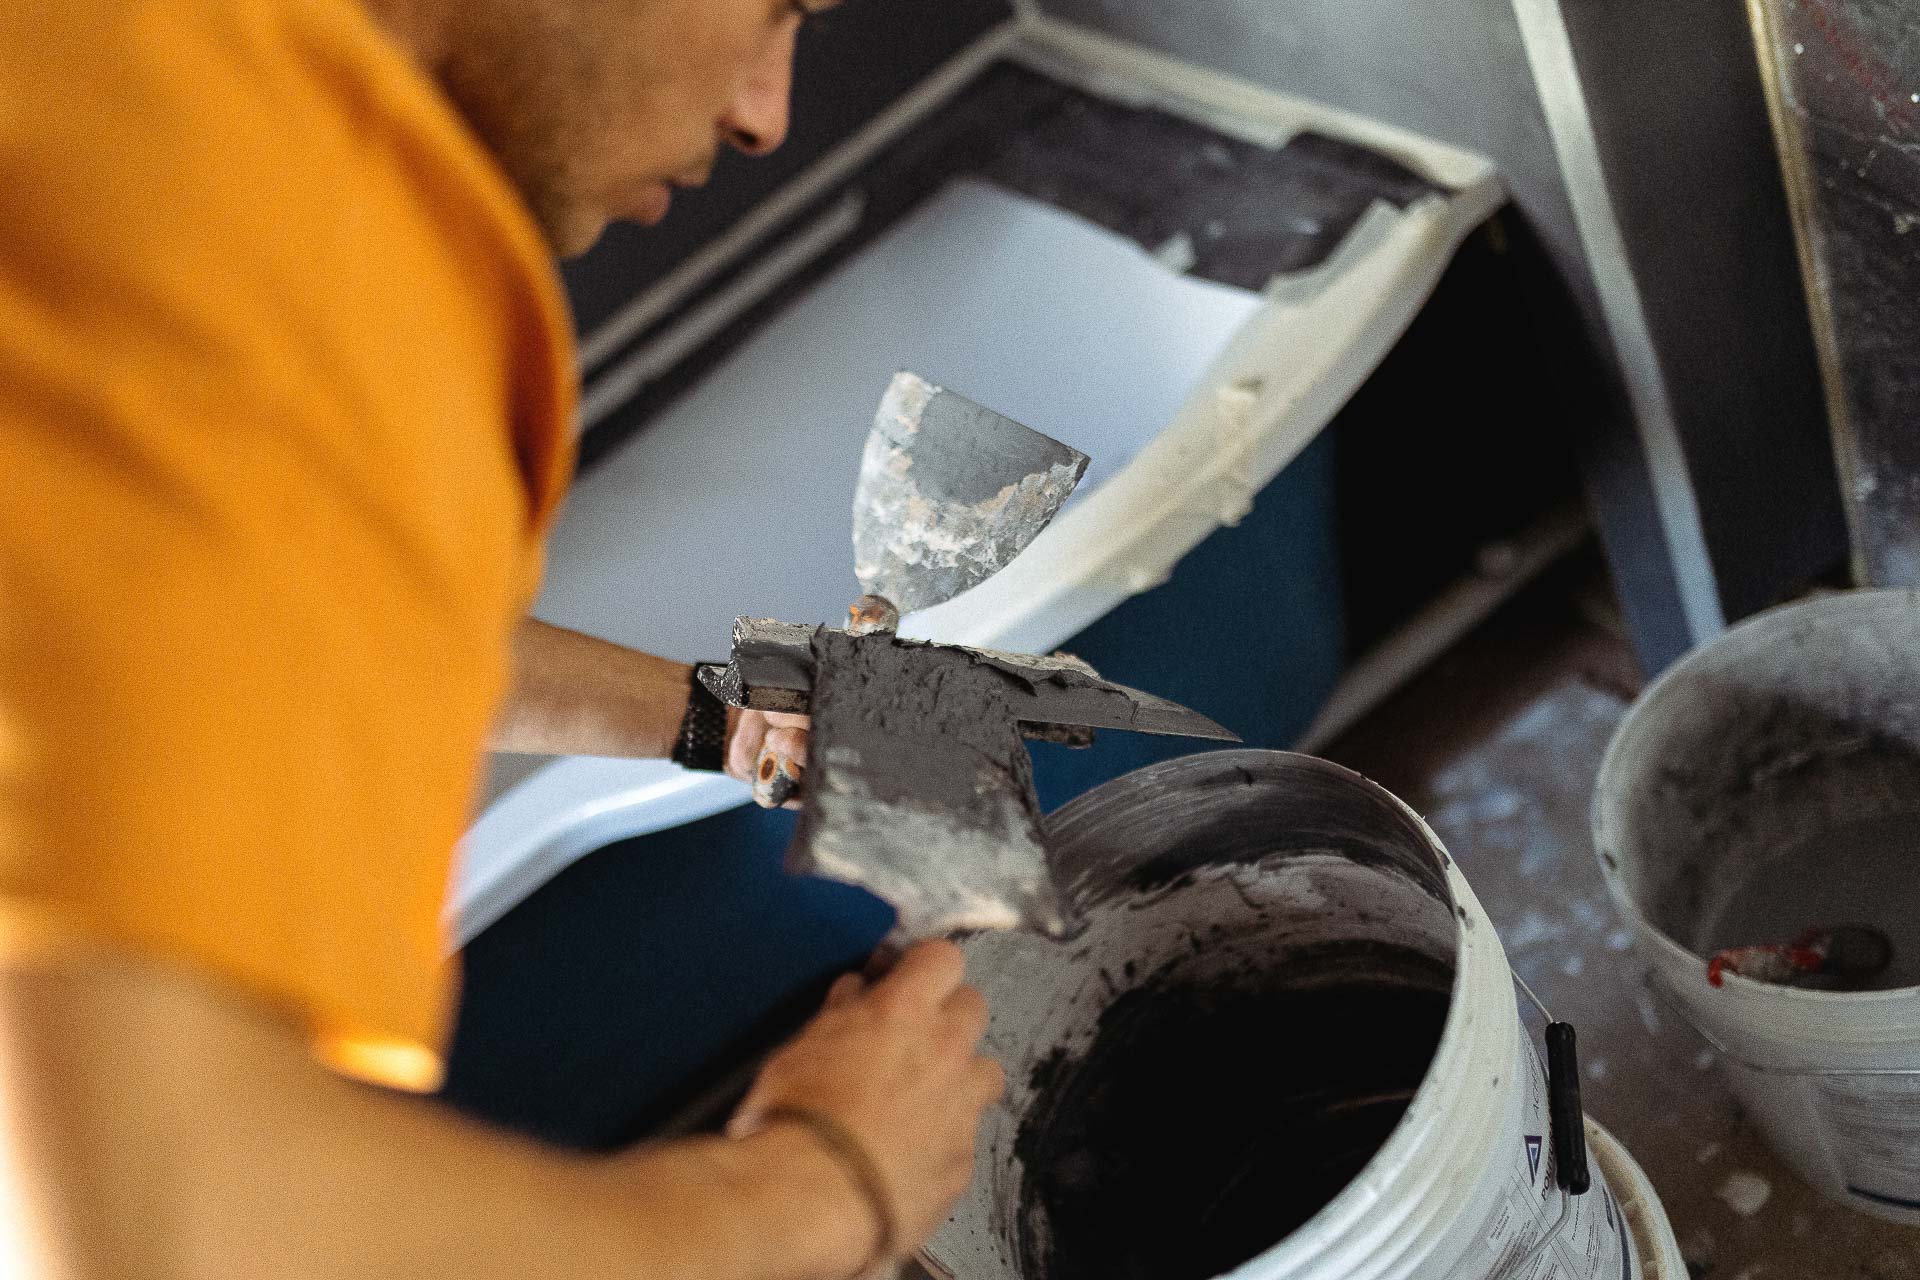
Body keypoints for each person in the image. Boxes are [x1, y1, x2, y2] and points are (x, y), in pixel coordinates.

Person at [0, 0, 1002, 1274]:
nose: (766, 113)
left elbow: (263, 621)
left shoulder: (121, 96)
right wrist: (827, 1181)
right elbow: (154, 1236)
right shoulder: (263, 244)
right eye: (775, 10)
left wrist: (724, 718)